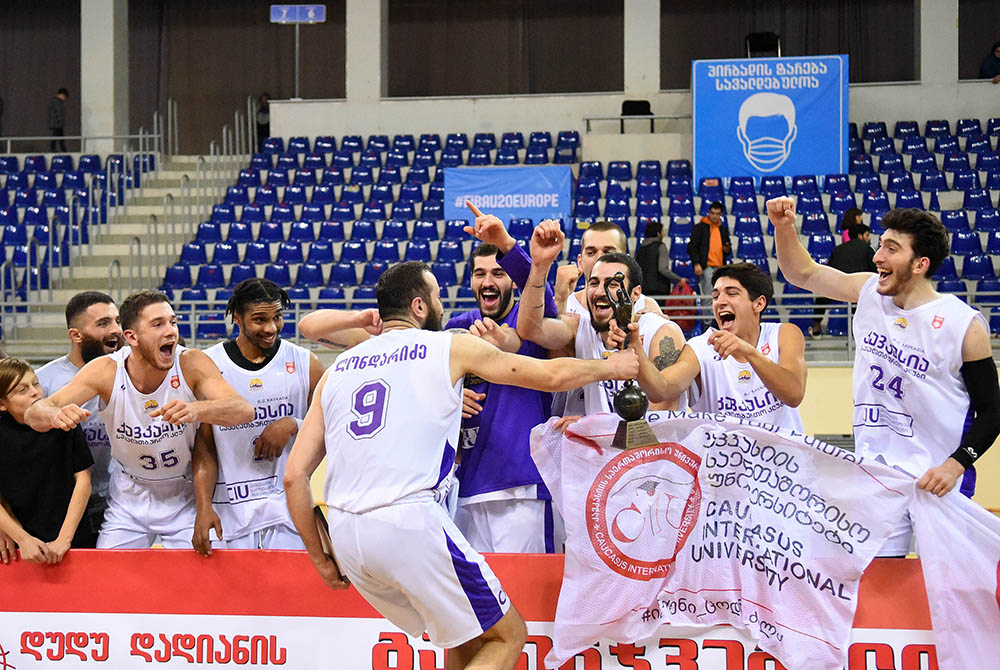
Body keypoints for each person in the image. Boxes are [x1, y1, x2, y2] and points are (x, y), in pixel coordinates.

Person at [283, 261, 638, 670]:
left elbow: (294, 476)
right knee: (509, 635)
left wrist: (321, 558)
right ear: (419, 306)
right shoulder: (447, 346)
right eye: (436, 297)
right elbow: (551, 375)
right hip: (407, 522)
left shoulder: (337, 370)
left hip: (346, 534)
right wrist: (611, 366)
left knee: (467, 637)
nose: (441, 305)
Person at [770, 199, 1000, 556]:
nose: (877, 256)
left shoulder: (963, 325)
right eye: (880, 245)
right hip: (877, 480)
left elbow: (992, 411)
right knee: (878, 581)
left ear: (920, 264)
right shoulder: (868, 293)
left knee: (946, 585)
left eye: (891, 249)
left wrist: (956, 465)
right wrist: (784, 227)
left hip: (938, 480)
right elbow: (803, 273)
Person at [24, 290, 254, 549]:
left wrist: (197, 409)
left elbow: (243, 410)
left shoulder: (190, 362)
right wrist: (54, 414)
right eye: (158, 324)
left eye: (172, 322)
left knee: (207, 568)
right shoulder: (106, 370)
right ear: (131, 337)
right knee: (109, 572)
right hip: (128, 499)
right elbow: (34, 413)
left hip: (183, 496)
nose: (170, 331)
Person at [192, 279, 323, 555]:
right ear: (237, 318)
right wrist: (203, 507)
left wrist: (293, 424)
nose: (271, 328)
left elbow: (331, 427)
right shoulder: (209, 364)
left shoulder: (305, 363)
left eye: (277, 317)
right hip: (230, 512)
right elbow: (204, 444)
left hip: (290, 514)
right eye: (260, 319)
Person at [517, 221, 688, 416]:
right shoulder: (576, 321)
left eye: (612, 283)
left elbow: (663, 412)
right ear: (580, 261)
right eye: (594, 283)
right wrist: (539, 267)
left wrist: (592, 426)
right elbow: (531, 329)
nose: (600, 259)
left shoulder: (657, 326)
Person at [625, 262, 806, 430]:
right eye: (715, 296)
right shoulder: (700, 347)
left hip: (784, 454)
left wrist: (749, 352)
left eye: (732, 293)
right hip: (724, 456)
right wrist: (636, 347)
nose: (720, 301)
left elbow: (793, 394)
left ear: (759, 303)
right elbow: (662, 389)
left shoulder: (784, 334)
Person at [36, 291, 124, 538]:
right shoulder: (44, 381)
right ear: (76, 335)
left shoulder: (131, 374)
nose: (116, 330)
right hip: (62, 502)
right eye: (103, 323)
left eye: (117, 321)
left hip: (116, 500)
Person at [0, 359, 94, 565]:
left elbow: (83, 480)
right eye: (22, 390)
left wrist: (64, 539)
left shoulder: (61, 419)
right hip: (21, 542)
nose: (35, 392)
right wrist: (22, 539)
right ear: (2, 404)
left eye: (36, 384)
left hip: (72, 534)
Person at [553, 220, 664, 317]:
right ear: (580, 262)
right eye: (591, 253)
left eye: (609, 253)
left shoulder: (645, 307)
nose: (599, 259)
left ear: (626, 262)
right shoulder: (563, 305)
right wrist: (560, 304)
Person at [813, 223, 877, 337]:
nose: (869, 238)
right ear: (860, 236)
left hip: (837, 289)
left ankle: (816, 328)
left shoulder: (838, 249)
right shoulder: (867, 248)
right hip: (858, 292)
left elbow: (829, 270)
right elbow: (875, 271)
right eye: (867, 235)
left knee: (822, 297)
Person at [687, 201, 732, 327]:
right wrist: (696, 263)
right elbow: (692, 247)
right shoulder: (700, 228)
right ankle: (708, 325)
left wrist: (727, 249)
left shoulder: (723, 230)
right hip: (706, 267)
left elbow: (727, 250)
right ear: (709, 213)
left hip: (720, 268)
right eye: (713, 213)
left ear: (721, 214)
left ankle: (718, 323)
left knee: (721, 297)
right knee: (709, 297)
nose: (715, 216)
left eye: (717, 214)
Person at [635, 220, 687, 305]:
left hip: (643, 289)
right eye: (662, 231)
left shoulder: (640, 249)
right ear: (658, 233)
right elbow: (662, 269)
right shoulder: (660, 246)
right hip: (659, 289)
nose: (663, 234)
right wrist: (679, 279)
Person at [48, 88, 69, 152]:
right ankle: (56, 149)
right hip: (57, 123)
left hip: (55, 123)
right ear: (62, 95)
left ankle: (61, 149)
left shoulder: (54, 101)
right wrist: (61, 121)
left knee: (59, 136)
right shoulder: (57, 102)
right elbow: (59, 113)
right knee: (57, 136)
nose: (64, 99)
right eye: (65, 97)